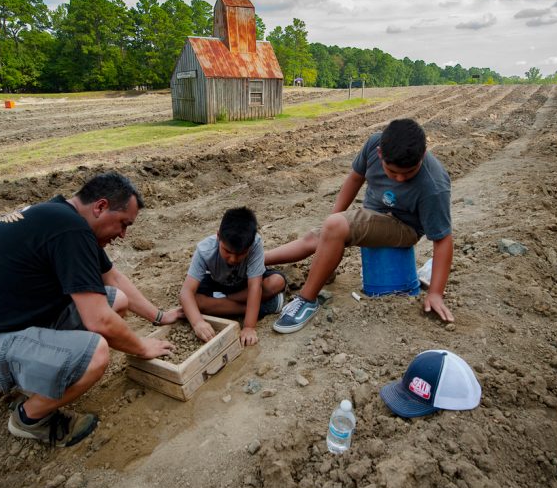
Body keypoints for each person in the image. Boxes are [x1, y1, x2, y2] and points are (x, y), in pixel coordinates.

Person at [0, 172, 181, 448]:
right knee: (95, 353)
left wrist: (160, 316)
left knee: (115, 300)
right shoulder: (70, 230)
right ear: (101, 207)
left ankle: (35, 376)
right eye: (123, 224)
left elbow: (112, 279)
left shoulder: (60, 217)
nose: (123, 235)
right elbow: (99, 322)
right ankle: (30, 418)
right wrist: (141, 347)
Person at [266, 117, 454, 333]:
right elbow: (355, 179)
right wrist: (333, 222)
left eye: (409, 173)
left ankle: (307, 300)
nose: (400, 179)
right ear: (380, 153)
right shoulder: (374, 145)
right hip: (374, 213)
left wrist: (436, 293)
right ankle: (258, 260)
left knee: (334, 227)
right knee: (316, 236)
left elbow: (443, 240)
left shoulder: (434, 185)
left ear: (423, 155)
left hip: (405, 227)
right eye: (393, 172)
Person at [179, 207, 287, 347]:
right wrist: (197, 322)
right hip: (218, 283)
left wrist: (249, 327)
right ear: (218, 236)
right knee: (195, 301)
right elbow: (186, 292)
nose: (233, 259)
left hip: (245, 285)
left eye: (241, 254)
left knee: (276, 282)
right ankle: (264, 307)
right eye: (227, 251)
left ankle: (223, 302)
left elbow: (255, 287)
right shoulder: (204, 250)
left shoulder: (255, 244)